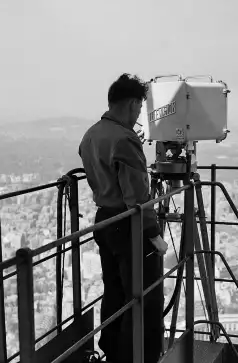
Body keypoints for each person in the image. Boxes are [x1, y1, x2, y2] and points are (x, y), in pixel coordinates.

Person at [78, 73, 169, 363]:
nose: (138, 115)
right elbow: (138, 197)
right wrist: (153, 233)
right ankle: (141, 356)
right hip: (129, 224)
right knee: (145, 296)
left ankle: (114, 351)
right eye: (139, 108)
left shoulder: (91, 134)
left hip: (104, 220)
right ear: (132, 104)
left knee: (115, 291)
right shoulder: (125, 139)